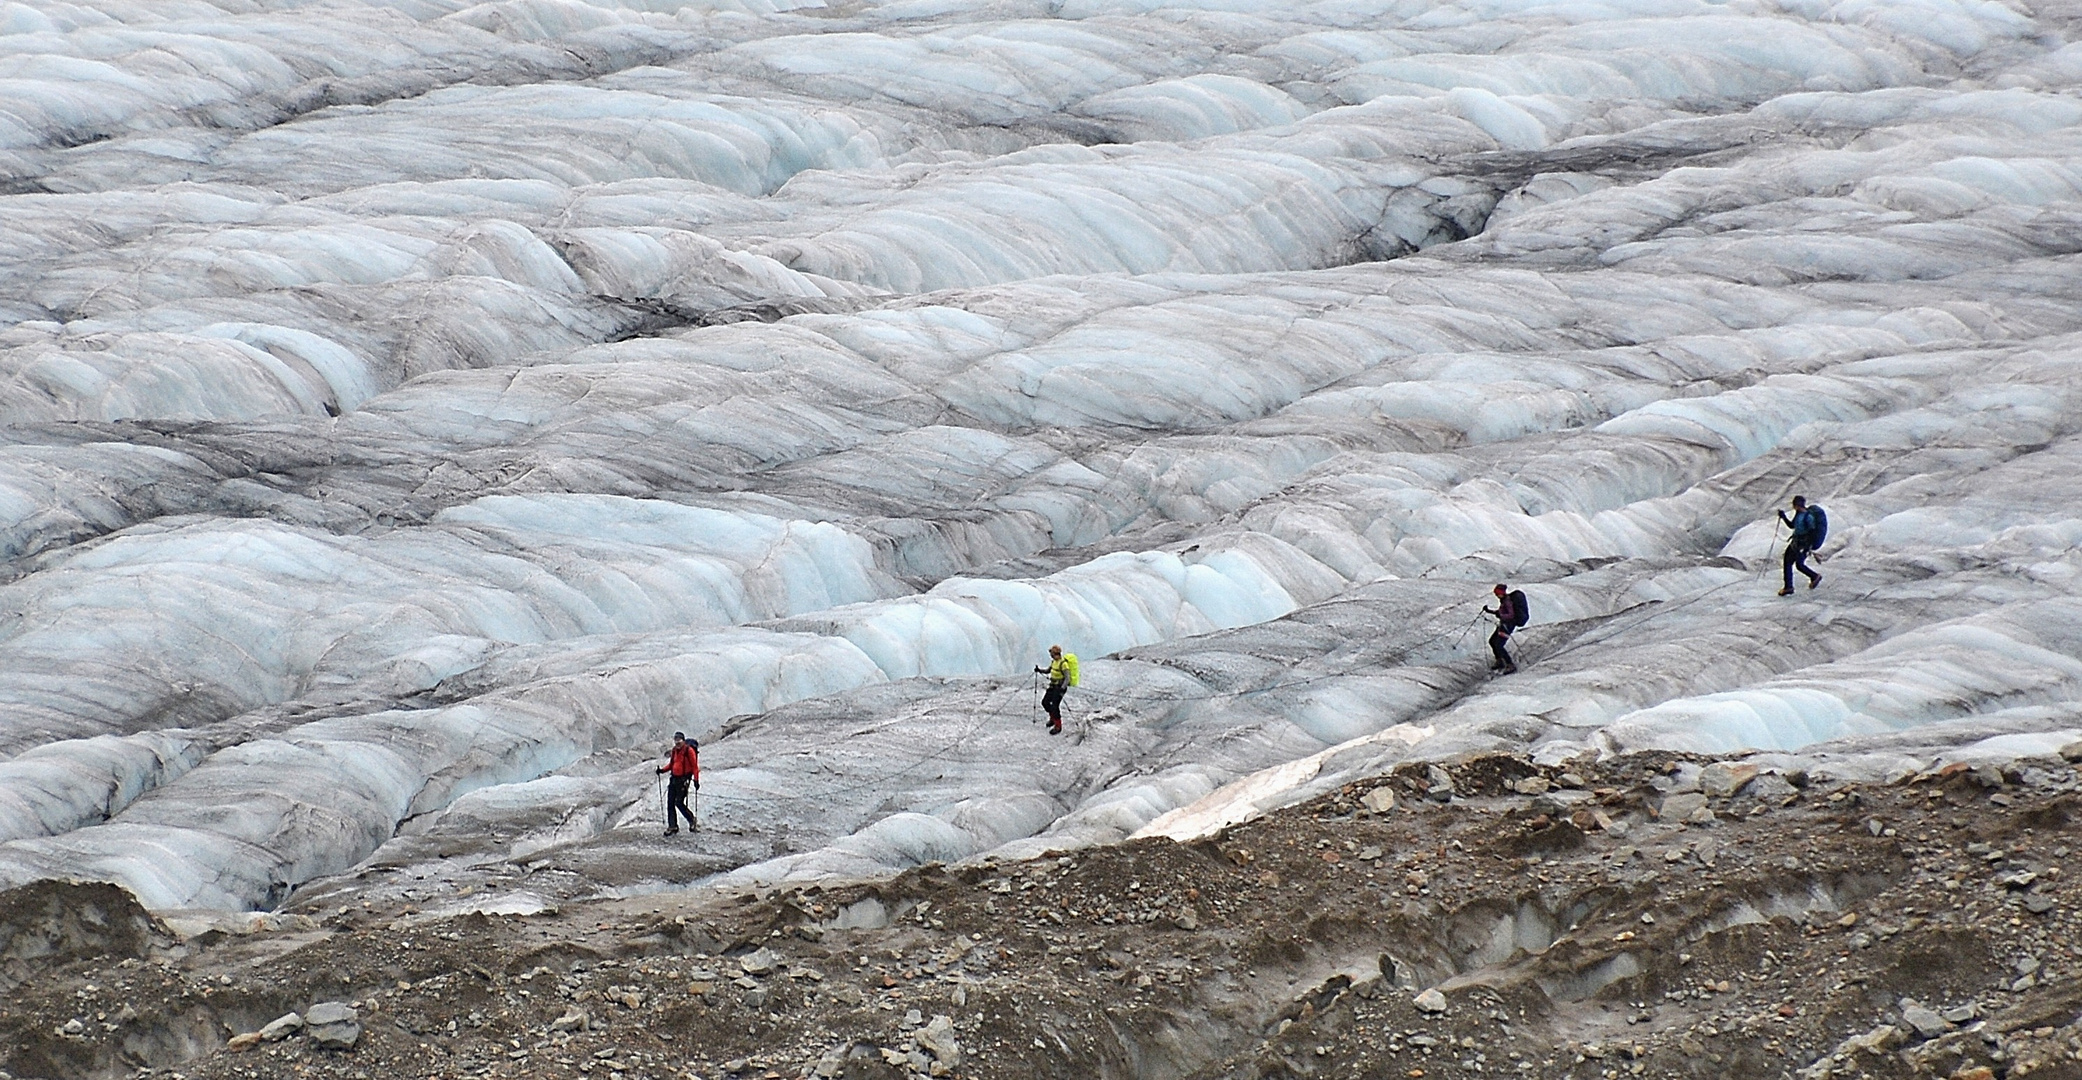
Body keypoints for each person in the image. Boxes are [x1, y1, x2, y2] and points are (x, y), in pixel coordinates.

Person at [1777, 495, 1826, 596]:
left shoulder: (1808, 517)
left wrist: (1807, 547)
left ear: (1796, 505)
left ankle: (1814, 576)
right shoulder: (1799, 513)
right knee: (1788, 561)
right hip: (1797, 542)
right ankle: (1789, 586)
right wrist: (1783, 517)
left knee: (1798, 564)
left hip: (1802, 544)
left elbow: (1812, 532)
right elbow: (1792, 525)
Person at [656, 731, 699, 835]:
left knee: (678, 802)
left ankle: (691, 820)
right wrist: (662, 770)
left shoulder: (689, 751)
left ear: (683, 740)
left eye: (679, 740)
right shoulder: (675, 751)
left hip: (683, 780)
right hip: (674, 779)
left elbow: (695, 767)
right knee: (670, 802)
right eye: (676, 740)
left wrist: (696, 781)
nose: (677, 743)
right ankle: (672, 826)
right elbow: (671, 765)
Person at [1034, 644, 1079, 735]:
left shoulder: (1063, 664)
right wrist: (1039, 670)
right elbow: (1048, 670)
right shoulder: (1054, 662)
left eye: (1052, 653)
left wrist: (1062, 688)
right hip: (1053, 686)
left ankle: (1058, 725)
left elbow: (1067, 678)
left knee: (1055, 705)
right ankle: (1053, 719)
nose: (1051, 655)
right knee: (1045, 702)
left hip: (1059, 687)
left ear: (1055, 654)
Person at [1484, 584, 1523, 674]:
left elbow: (1510, 615)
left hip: (1508, 625)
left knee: (1498, 644)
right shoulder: (1504, 600)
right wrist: (1490, 611)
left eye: (1497, 593)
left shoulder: (1507, 601)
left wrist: (1500, 615)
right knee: (1492, 641)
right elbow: (1503, 612)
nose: (1496, 595)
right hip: (1504, 624)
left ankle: (1510, 664)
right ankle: (1500, 660)